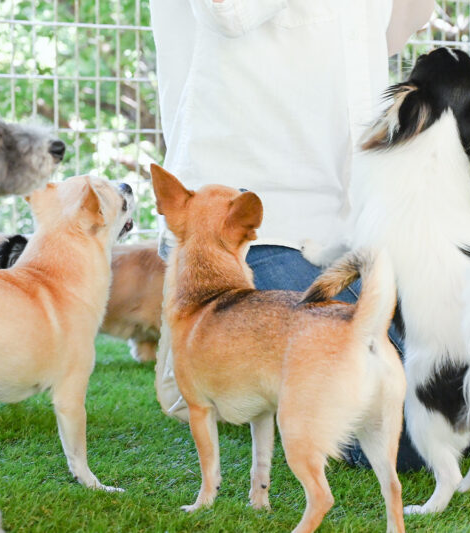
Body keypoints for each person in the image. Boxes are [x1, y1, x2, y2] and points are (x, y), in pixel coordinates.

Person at [150, 0, 434, 471]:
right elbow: (228, 11)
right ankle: (203, 354)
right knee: (411, 432)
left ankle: (219, 366)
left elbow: (386, 30)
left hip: (354, 222)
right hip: (251, 231)